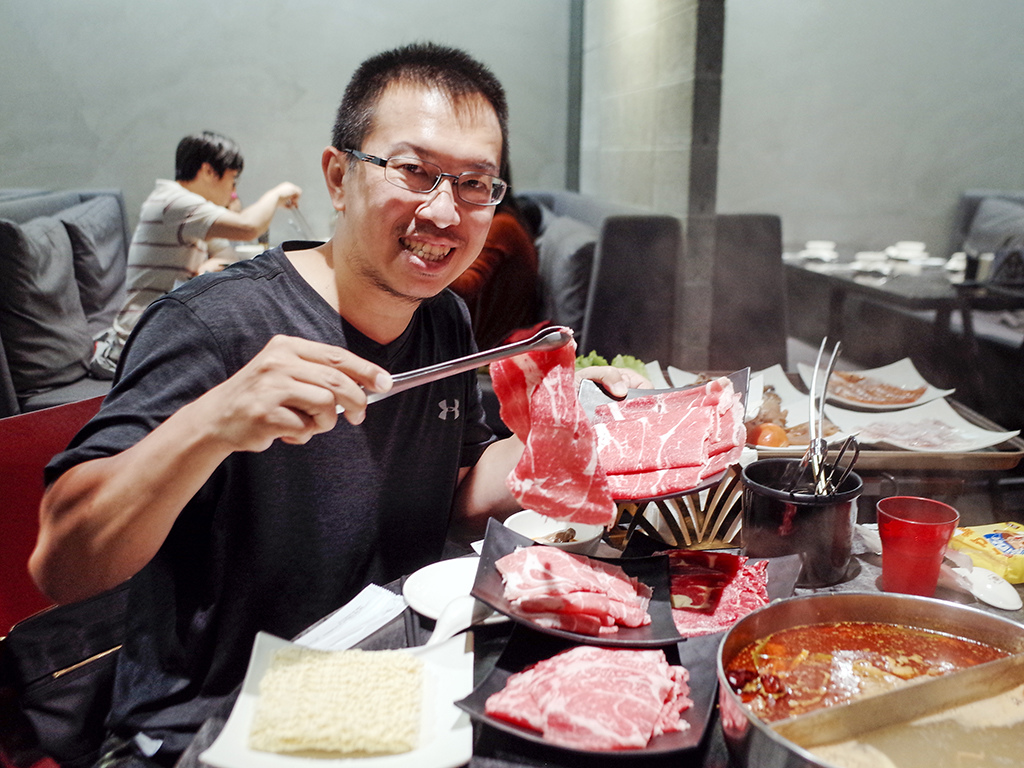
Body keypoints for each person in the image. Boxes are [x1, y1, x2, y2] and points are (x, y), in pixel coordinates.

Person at [30, 43, 645, 766]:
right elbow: (62, 563)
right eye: (413, 171)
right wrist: (214, 422)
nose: (444, 211)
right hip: (211, 721)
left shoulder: (443, 317)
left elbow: (451, 498)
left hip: (387, 685)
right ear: (338, 177)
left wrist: (564, 433)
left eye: (475, 184)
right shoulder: (214, 323)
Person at [89, 131, 303, 377]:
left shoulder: (191, 211)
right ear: (209, 171)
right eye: (232, 180)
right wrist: (277, 194)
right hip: (138, 342)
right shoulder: (174, 202)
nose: (233, 191)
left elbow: (228, 253)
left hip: (163, 330)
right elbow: (248, 228)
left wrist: (210, 264)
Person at [449, 171, 540, 350]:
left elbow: (467, 287)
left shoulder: (502, 226)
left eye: (472, 183)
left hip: (490, 349)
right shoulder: (503, 221)